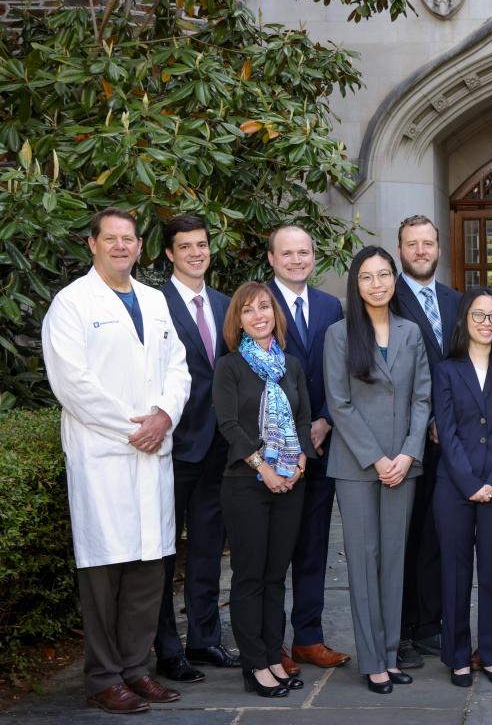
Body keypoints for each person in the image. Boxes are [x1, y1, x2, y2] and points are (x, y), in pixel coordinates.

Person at [42, 207, 191, 714]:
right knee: (105, 570)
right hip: (106, 452)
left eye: (129, 239)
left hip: (152, 449)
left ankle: (134, 669)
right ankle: (103, 676)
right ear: (93, 244)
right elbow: (72, 383)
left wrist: (165, 415)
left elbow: (179, 366)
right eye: (111, 239)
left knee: (150, 566)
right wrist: (137, 426)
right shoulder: (72, 304)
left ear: (140, 247)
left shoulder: (153, 301)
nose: (121, 246)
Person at [323, 246, 432, 694]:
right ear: (356, 283)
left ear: (394, 279)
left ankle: (389, 653)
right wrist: (378, 457)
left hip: (402, 464)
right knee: (364, 562)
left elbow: (422, 399)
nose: (377, 284)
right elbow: (339, 404)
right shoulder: (340, 335)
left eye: (384, 275)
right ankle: (371, 661)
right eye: (367, 277)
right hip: (357, 465)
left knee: (393, 560)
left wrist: (407, 454)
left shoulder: (410, 332)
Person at [212, 282, 312, 698]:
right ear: (238, 320)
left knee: (276, 577)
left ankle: (273, 655)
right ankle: (254, 664)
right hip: (246, 484)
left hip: (290, 482)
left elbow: (303, 417)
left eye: (264, 308)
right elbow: (229, 424)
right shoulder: (230, 367)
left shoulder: (291, 365)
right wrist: (263, 466)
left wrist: (300, 459)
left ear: (275, 314)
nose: (258, 315)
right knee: (250, 577)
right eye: (248, 310)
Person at [155, 214, 239, 683]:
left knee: (208, 550)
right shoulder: (154, 304)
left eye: (201, 245)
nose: (195, 253)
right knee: (164, 554)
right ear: (169, 253)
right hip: (171, 447)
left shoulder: (226, 305)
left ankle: (205, 640)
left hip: (218, 448)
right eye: (184, 246)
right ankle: (167, 648)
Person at [433, 288, 492, 688]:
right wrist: (471, 483)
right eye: (478, 315)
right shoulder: (447, 370)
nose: (486, 323)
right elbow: (446, 430)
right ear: (464, 320)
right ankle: (457, 655)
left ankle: (491, 653)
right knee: (455, 574)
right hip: (455, 487)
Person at [266, 225, 349, 671]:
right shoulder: (258, 304)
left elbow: (335, 372)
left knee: (315, 546)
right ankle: (271, 642)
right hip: (275, 451)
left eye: (304, 252)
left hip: (319, 446)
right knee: (275, 550)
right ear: (272, 258)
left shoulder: (329, 305)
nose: (297, 260)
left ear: (313, 257)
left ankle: (309, 637)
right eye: (287, 253)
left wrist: (324, 420)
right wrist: (291, 433)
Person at [391, 215, 461, 668]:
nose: (420, 251)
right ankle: (399, 630)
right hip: (402, 438)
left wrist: (447, 418)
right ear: (400, 250)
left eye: (428, 243)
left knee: (438, 534)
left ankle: (430, 624)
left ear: (439, 248)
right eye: (412, 244)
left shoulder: (455, 301)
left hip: (449, 439)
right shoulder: (386, 297)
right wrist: (426, 419)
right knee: (402, 535)